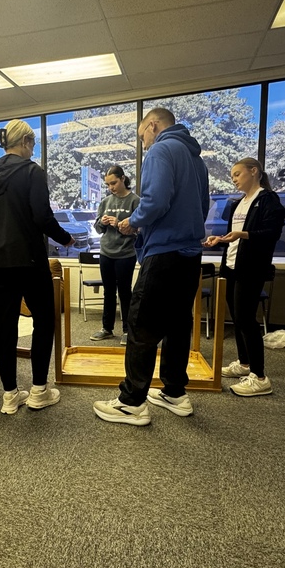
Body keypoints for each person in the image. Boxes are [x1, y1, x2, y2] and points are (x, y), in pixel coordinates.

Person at [93, 108, 209, 427]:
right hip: (189, 254)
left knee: (140, 324)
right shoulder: (195, 157)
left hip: (164, 253)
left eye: (142, 135)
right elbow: (202, 207)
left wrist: (134, 222)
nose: (143, 144)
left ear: (153, 126)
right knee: (176, 325)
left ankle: (131, 402)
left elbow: (155, 201)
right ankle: (174, 392)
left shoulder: (161, 149)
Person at [0, 119, 73, 415]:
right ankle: (38, 391)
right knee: (44, 320)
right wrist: (65, 238)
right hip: (28, 260)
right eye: (32, 144)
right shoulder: (32, 172)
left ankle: (9, 395)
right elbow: (42, 217)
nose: (33, 150)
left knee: (5, 327)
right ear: (24, 143)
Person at [203, 158, 285, 397]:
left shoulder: (268, 200)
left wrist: (243, 233)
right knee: (237, 318)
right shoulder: (239, 203)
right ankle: (244, 363)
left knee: (246, 319)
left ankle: (260, 377)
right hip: (231, 266)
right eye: (232, 175)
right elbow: (235, 235)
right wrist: (220, 239)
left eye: (237, 174)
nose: (234, 179)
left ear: (254, 171)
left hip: (251, 268)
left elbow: (271, 234)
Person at [90, 165, 139, 345]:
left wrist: (119, 223)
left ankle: (127, 330)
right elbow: (97, 229)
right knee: (108, 291)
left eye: (114, 183)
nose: (111, 187)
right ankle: (107, 328)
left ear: (123, 179)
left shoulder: (135, 201)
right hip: (106, 252)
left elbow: (140, 231)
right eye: (108, 184)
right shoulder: (105, 202)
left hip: (126, 253)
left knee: (125, 292)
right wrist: (102, 222)